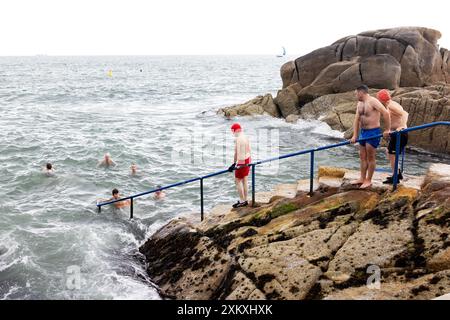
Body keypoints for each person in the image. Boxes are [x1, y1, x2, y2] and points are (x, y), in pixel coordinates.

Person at [350, 85, 391, 189]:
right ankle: (362, 178)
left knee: (370, 157)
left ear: (361, 92)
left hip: (373, 132)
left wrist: (387, 129)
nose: (355, 95)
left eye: (356, 93)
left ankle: (369, 180)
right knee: (362, 156)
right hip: (363, 133)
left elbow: (386, 113)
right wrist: (355, 135)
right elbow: (356, 120)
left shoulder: (373, 101)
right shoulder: (359, 103)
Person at [376, 89, 409, 184]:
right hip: (397, 134)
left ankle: (396, 177)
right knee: (389, 152)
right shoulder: (390, 104)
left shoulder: (391, 105)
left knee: (392, 154)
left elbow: (405, 114)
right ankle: (397, 173)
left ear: (381, 99)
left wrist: (401, 126)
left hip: (401, 134)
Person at [228, 123, 251, 208]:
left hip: (242, 161)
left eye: (232, 132)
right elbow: (249, 150)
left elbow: (236, 153)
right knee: (245, 180)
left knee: (237, 181)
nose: (233, 134)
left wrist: (234, 164)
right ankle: (246, 199)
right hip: (248, 159)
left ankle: (242, 201)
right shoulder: (245, 136)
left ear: (235, 130)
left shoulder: (238, 139)